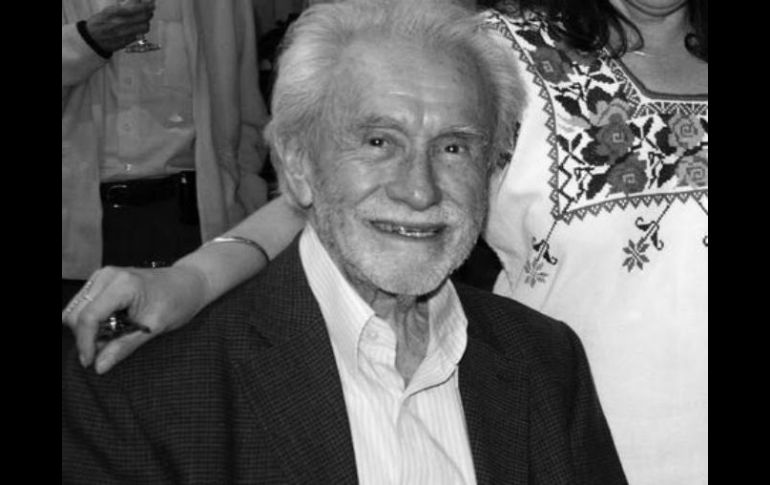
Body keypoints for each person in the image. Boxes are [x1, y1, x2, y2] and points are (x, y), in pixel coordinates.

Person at [64, 0, 707, 483]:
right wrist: (196, 277)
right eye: (384, 141)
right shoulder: (493, 52)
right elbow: (340, 183)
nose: (420, 183)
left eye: (453, 148)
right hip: (555, 428)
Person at [61, 0, 269, 306]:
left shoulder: (221, 6)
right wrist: (85, 42)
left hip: (194, 223)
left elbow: (247, 109)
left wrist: (242, 198)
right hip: (78, 229)